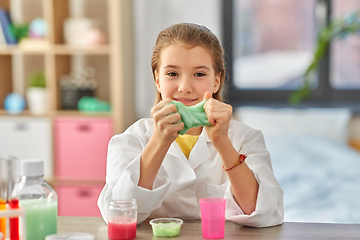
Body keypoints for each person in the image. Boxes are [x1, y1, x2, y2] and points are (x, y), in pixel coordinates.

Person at [98, 23, 283, 228]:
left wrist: (223, 143)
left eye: (199, 74)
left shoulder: (245, 138)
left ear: (216, 81)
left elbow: (265, 213)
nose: (185, 87)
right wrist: (158, 141)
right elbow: (117, 215)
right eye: (172, 74)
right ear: (157, 80)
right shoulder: (131, 140)